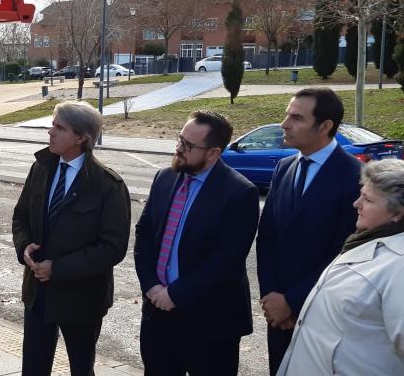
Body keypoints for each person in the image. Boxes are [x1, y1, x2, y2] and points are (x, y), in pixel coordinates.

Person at [134, 110, 259, 376]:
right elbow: (144, 235)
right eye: (179, 139)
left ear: (213, 153)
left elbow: (227, 261)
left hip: (210, 323)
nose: (178, 149)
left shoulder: (239, 193)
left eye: (188, 146)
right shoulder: (164, 178)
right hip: (158, 315)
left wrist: (175, 294)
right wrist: (152, 287)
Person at [12, 100, 131, 376]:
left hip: (82, 298)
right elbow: (21, 217)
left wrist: (59, 269)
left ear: (82, 137)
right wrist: (24, 247)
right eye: (52, 125)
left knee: (81, 367)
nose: (50, 132)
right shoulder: (41, 168)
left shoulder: (107, 185)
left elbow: (112, 248)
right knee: (33, 367)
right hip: (38, 292)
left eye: (59, 127)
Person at [256, 87, 362, 375]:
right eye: (286, 114)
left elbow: (345, 253)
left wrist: (292, 301)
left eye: (296, 117)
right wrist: (272, 297)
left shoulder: (354, 177)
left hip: (323, 314)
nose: (284, 123)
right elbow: (267, 238)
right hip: (277, 314)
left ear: (325, 126)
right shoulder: (284, 166)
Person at [277, 159, 404, 375]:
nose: (356, 204)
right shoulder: (364, 240)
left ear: (397, 213)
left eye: (368, 199)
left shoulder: (399, 265)